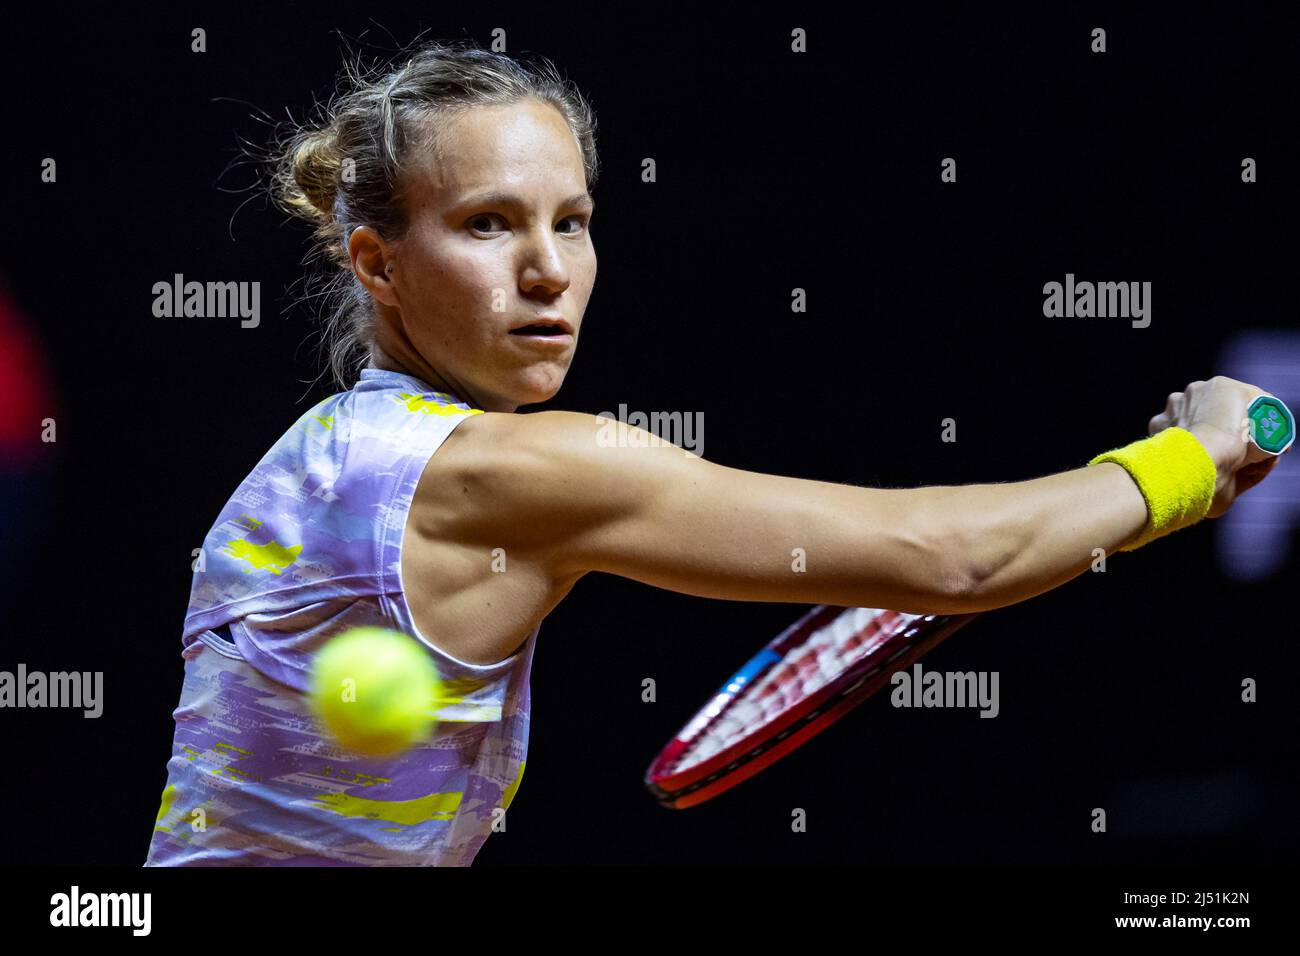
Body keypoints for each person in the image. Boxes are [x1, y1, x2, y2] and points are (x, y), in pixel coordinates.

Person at [144, 40, 1282, 866]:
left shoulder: (319, 453)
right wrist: (1192, 461)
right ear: (376, 264)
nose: (546, 269)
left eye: (571, 221)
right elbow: (949, 557)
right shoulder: (508, 473)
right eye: (488, 223)